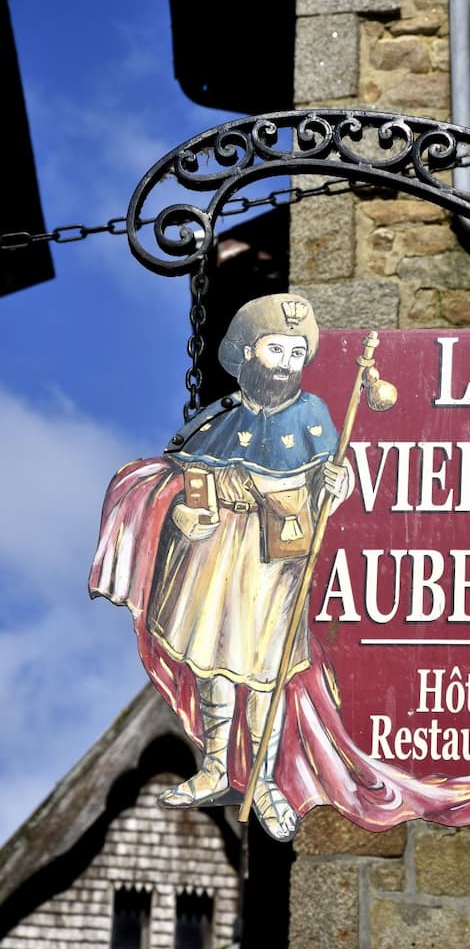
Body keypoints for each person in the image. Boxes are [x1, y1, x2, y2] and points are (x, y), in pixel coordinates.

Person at [91, 294, 351, 841]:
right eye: (275, 348)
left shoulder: (313, 417)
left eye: (296, 353)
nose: (284, 362)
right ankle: (214, 766)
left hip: (270, 559)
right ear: (248, 352)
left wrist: (336, 484)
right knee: (211, 664)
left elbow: (333, 477)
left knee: (260, 675)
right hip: (211, 560)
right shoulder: (218, 418)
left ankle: (265, 783)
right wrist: (183, 504)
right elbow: (179, 474)